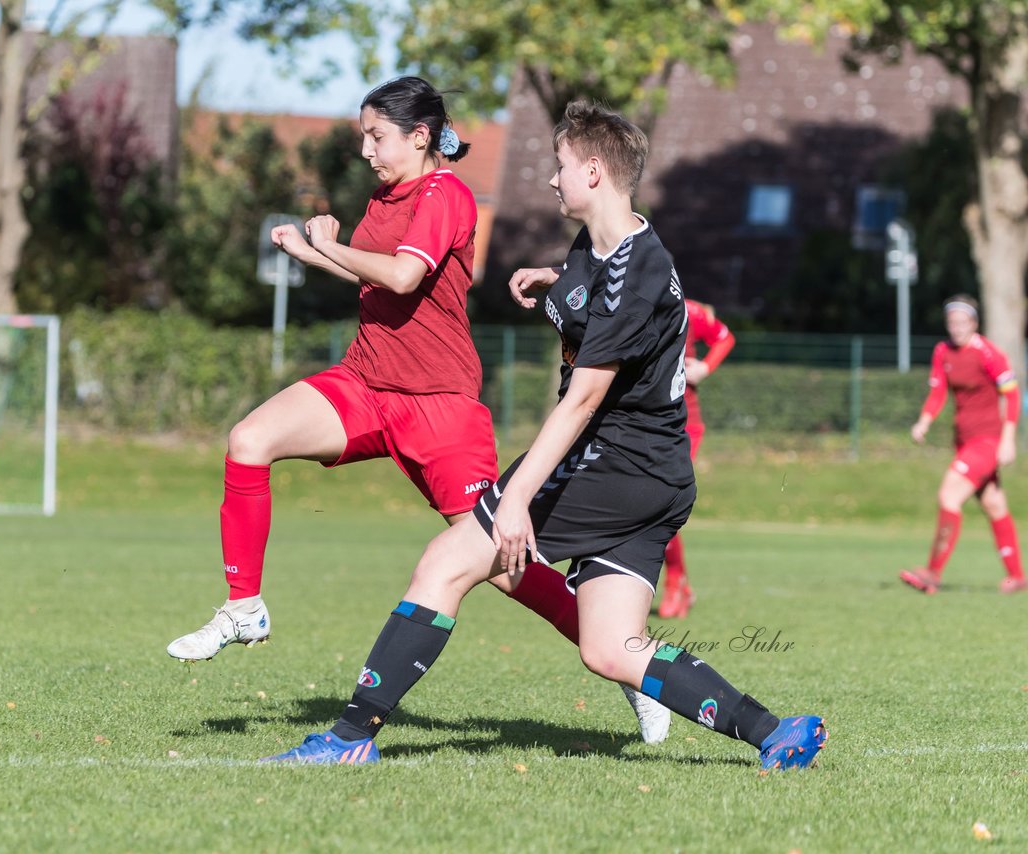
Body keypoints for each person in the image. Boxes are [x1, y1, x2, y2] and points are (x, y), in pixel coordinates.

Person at [262, 101, 827, 769]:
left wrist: (518, 496)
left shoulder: (634, 273)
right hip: (656, 474)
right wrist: (556, 280)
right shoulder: (602, 245)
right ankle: (775, 732)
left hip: (612, 465)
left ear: (593, 171)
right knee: (610, 648)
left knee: (445, 564)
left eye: (560, 168)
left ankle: (350, 736)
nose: (552, 180)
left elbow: (585, 397)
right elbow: (605, 304)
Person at [165, 77, 668, 742]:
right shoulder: (386, 196)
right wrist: (311, 252)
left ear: (419, 135)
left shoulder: (449, 195)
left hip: (439, 407)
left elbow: (404, 275)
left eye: (377, 136)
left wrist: (323, 245)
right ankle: (243, 607)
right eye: (364, 137)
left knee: (507, 568)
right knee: (250, 438)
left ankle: (635, 671)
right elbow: (376, 272)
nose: (367, 150)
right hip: (366, 382)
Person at [900, 295, 1025, 595]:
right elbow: (938, 392)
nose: (956, 328)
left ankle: (932, 573)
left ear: (974, 323)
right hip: (964, 441)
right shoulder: (943, 351)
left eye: (962, 322)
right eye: (951, 322)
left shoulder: (988, 353)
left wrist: (1008, 440)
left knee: (949, 495)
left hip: (988, 441)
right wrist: (924, 421)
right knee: (994, 504)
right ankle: (1018, 576)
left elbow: (1012, 395)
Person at [656, 299, 734, 619]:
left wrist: (705, 367)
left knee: (661, 502)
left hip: (682, 424)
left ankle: (677, 583)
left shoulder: (686, 309)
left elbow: (724, 337)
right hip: (633, 422)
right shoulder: (621, 302)